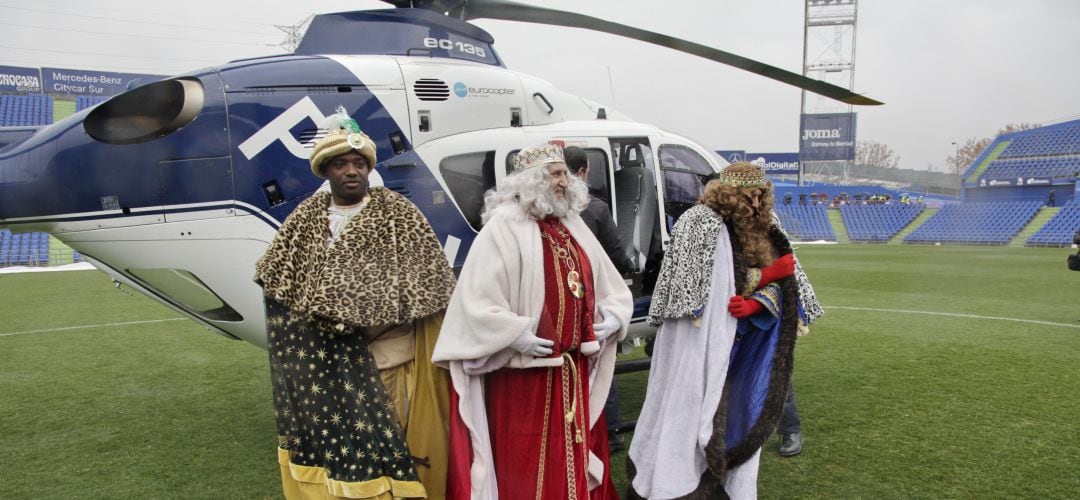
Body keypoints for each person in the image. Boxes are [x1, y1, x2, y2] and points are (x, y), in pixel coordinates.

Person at [254, 107, 456, 499]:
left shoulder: (399, 215)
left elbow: (431, 286)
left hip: (388, 363)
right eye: (342, 163)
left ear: (369, 168)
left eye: (359, 163)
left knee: (392, 449)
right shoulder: (305, 219)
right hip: (326, 368)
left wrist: (360, 325)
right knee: (342, 453)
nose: (352, 171)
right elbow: (277, 279)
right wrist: (317, 331)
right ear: (326, 170)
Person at [433, 143, 634, 499]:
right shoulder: (503, 227)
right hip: (525, 380)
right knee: (526, 465)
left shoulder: (572, 225)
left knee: (572, 456)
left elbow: (609, 285)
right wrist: (514, 335)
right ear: (531, 181)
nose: (564, 181)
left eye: (564, 174)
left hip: (572, 372)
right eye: (555, 174)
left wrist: (614, 317)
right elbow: (474, 302)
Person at [627, 162, 801, 499]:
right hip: (699, 340)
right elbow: (707, 288)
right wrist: (765, 276)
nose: (753, 204)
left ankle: (725, 481)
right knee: (688, 407)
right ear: (728, 193)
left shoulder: (764, 226)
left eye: (759, 197)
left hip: (745, 343)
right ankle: (678, 483)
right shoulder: (699, 224)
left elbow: (782, 285)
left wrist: (758, 300)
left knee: (739, 414)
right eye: (747, 197)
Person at [564, 145, 634, 453]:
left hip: (563, 303)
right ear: (582, 172)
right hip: (591, 299)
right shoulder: (595, 209)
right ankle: (612, 432)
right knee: (602, 364)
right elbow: (616, 255)